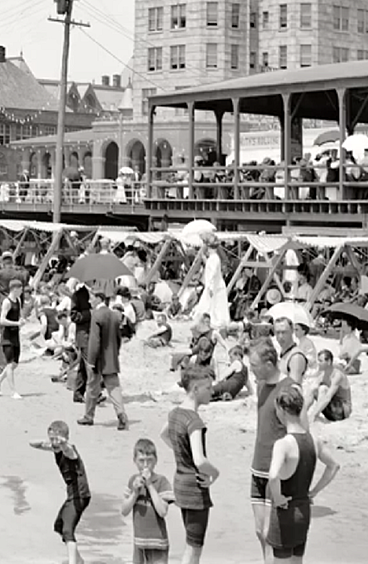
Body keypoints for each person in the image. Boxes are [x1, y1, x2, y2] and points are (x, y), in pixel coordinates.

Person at [266, 386, 341, 564]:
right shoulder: (314, 441)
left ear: (282, 410)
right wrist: (313, 492)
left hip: (285, 514)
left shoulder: (283, 444)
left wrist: (278, 498)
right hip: (303, 512)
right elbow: (334, 466)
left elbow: (273, 475)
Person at [160, 366, 219, 564]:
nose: (212, 392)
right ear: (195, 389)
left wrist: (179, 451)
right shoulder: (194, 421)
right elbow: (200, 460)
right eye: (208, 388)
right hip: (194, 488)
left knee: (190, 542)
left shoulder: (175, 413)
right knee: (194, 548)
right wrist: (215, 473)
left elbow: (164, 435)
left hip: (180, 483)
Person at [247, 339, 298, 563]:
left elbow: (298, 431)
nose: (251, 370)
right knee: (260, 531)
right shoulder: (260, 385)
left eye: (254, 365)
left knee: (272, 533)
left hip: (277, 470)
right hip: (257, 465)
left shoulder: (288, 389)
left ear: (269, 364)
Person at [28, 420, 91, 564]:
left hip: (80, 495)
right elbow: (31, 443)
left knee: (68, 531)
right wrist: (50, 442)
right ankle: (79, 560)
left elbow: (69, 451)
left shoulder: (70, 451)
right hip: (72, 495)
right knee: (59, 526)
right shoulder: (55, 448)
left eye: (56, 439)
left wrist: (63, 443)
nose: (54, 442)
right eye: (51, 439)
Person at [79, 288, 128, 430]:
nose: (90, 301)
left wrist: (91, 361)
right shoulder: (114, 315)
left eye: (92, 298)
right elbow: (118, 339)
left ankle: (88, 416)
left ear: (99, 298)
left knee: (92, 387)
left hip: (99, 359)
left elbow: (94, 341)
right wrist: (115, 354)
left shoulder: (97, 315)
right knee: (114, 388)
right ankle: (121, 414)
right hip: (111, 357)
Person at [120, 438, 175, 564]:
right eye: (141, 461)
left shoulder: (162, 482)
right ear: (134, 461)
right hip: (139, 543)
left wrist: (150, 485)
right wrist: (135, 493)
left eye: (149, 461)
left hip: (158, 544)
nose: (145, 465)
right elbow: (124, 511)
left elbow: (162, 511)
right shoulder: (133, 481)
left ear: (155, 461)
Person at [191, 234, 229, 329]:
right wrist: (204, 258)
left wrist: (210, 287)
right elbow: (210, 267)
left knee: (215, 306)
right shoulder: (214, 258)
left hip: (214, 286)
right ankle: (211, 322)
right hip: (214, 286)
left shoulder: (214, 258)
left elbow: (212, 274)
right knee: (210, 305)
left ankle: (215, 323)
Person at [0, 279, 24, 399]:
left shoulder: (18, 300)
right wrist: (16, 323)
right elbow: (2, 320)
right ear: (15, 289)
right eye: (20, 289)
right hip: (7, 336)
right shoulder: (7, 302)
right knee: (10, 364)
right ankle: (13, 391)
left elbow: (19, 314)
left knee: (15, 363)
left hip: (16, 335)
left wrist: (21, 321)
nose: (22, 291)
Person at [307, 349, 352, 423]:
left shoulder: (337, 375)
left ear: (329, 362)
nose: (319, 363)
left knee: (323, 389)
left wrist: (313, 415)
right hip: (332, 408)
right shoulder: (323, 374)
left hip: (343, 411)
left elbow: (328, 397)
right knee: (313, 389)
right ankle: (301, 413)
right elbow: (311, 391)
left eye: (321, 361)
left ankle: (314, 416)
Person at [275, 318, 308, 385]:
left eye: (284, 332)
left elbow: (294, 388)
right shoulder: (282, 353)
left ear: (292, 331)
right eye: (278, 332)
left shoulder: (296, 357)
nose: (280, 336)